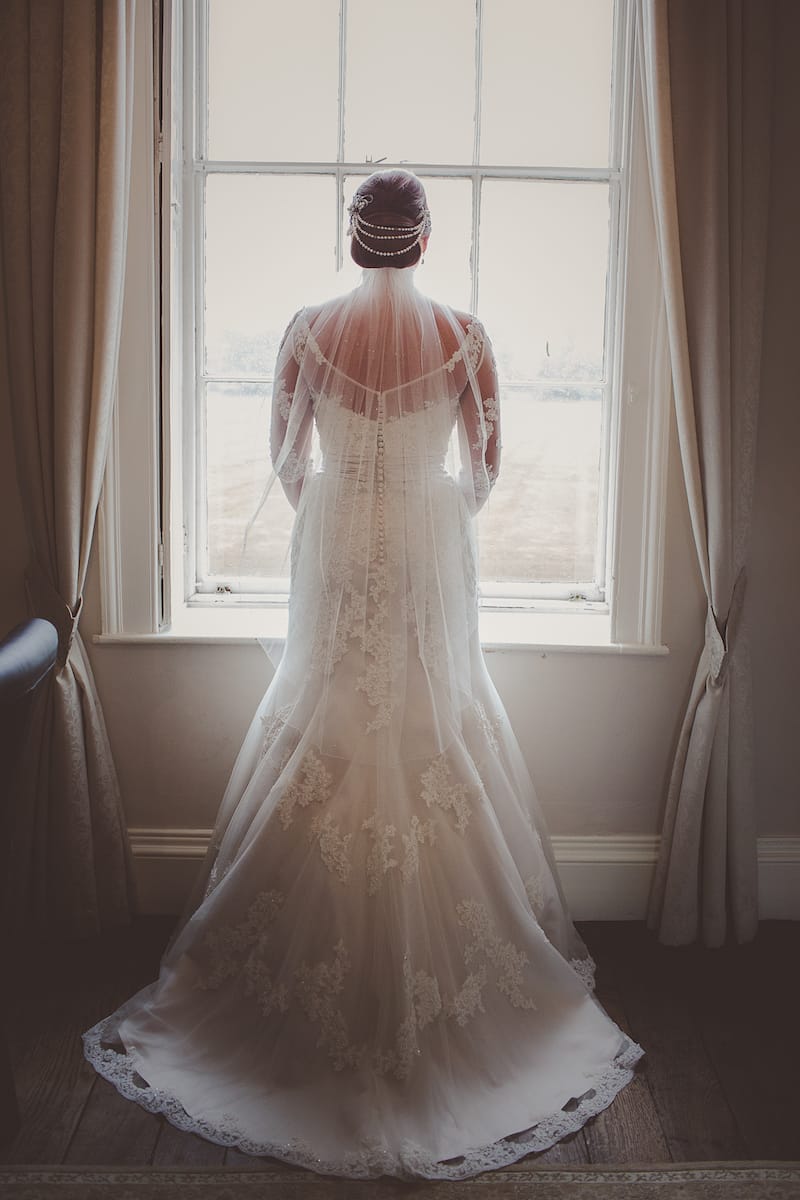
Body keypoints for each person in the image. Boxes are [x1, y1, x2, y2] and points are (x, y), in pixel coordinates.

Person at [84, 169, 643, 1180]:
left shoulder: (307, 330)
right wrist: (427, 520)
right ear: (423, 241)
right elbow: (484, 467)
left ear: (354, 239)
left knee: (327, 720)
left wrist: (344, 516)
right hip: (428, 549)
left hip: (336, 543)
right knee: (433, 720)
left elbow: (284, 459)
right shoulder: (465, 336)